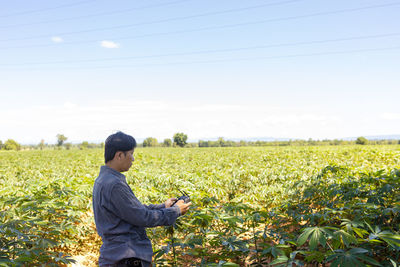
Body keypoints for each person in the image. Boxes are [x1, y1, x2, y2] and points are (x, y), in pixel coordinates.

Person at [92, 131, 191, 267]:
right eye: (131, 154)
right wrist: (175, 211)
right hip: (124, 259)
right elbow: (142, 217)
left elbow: (133, 210)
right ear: (119, 155)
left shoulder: (105, 179)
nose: (132, 159)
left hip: (117, 256)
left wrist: (163, 206)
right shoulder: (114, 184)